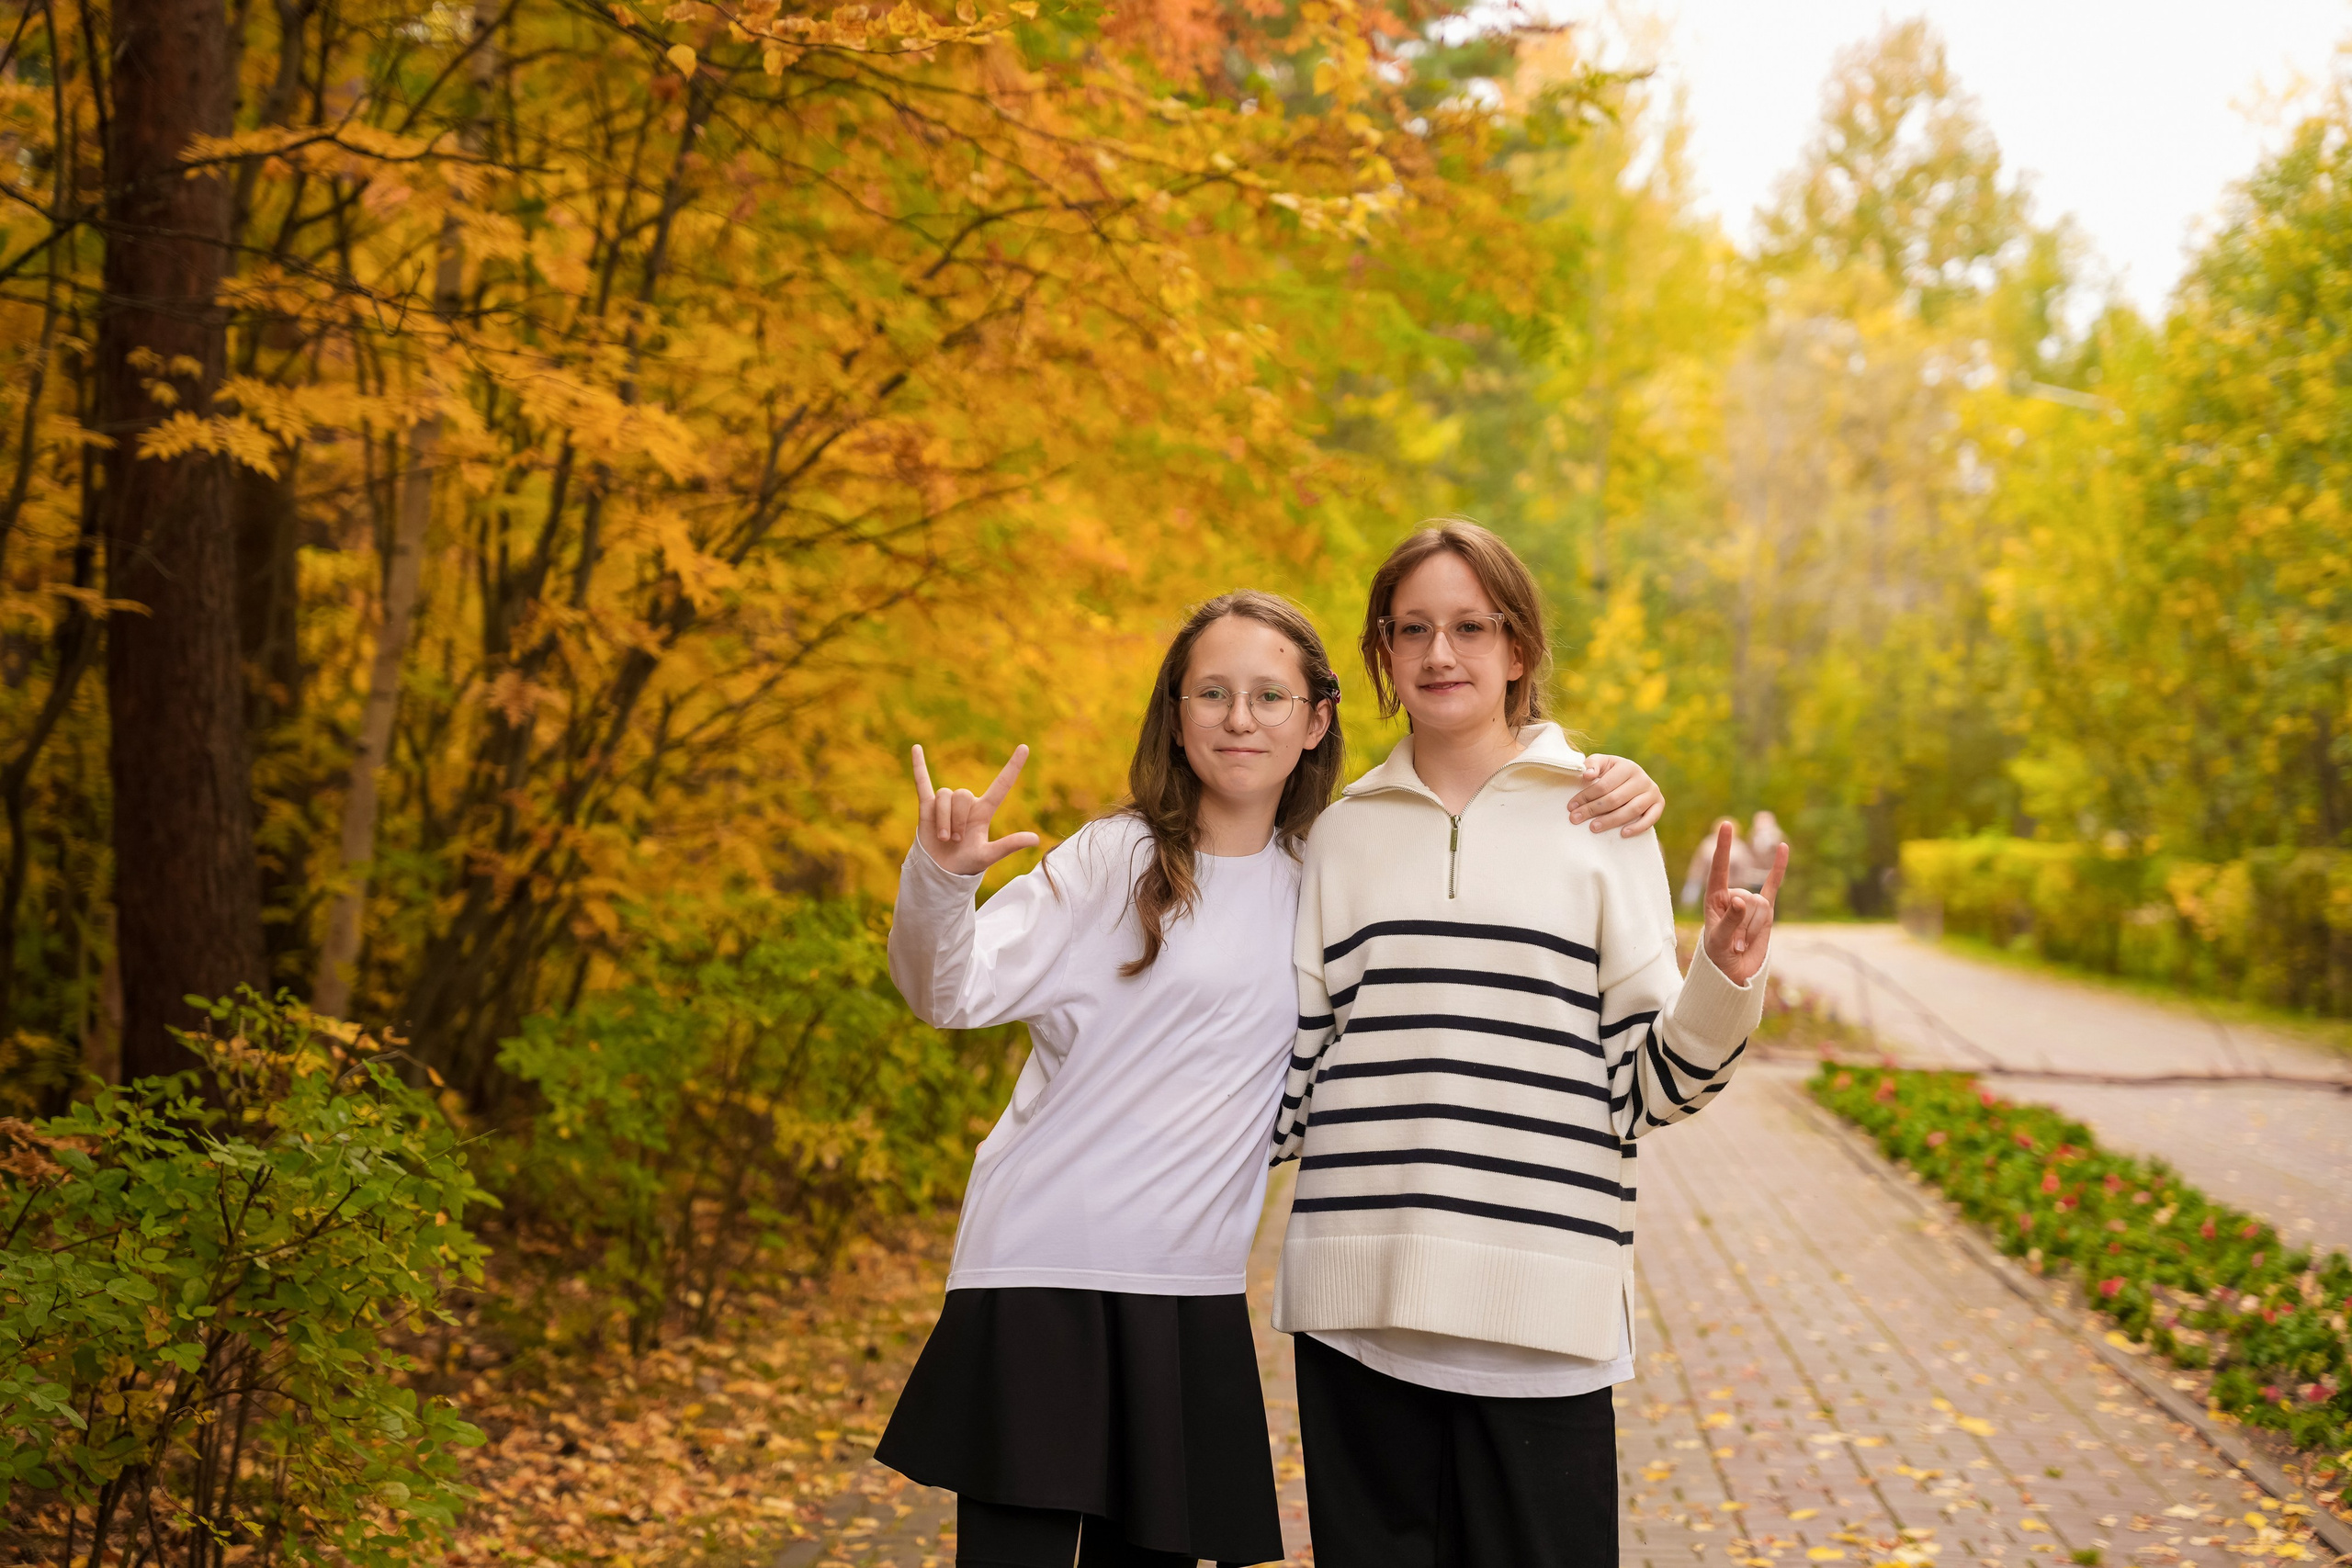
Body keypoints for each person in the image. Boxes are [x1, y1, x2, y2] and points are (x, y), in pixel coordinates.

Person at [874, 590, 1670, 1568]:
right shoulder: (1113, 858)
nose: (1239, 719)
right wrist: (942, 879)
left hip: (1193, 1288)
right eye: (1211, 693)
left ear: (1316, 719)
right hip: (1045, 1273)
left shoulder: (1325, 869)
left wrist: (1593, 774)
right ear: (1176, 716)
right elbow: (945, 991)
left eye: (1268, 695)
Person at [1270, 522, 1789, 1568]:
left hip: (1545, 1322)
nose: (1440, 654)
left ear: (1518, 647)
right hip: (1356, 1315)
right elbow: (1290, 1076)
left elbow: (1648, 1091)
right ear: (1381, 652)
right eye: (1412, 629)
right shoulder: (1337, 834)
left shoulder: (1602, 819)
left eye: (1471, 626)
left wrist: (1723, 979)